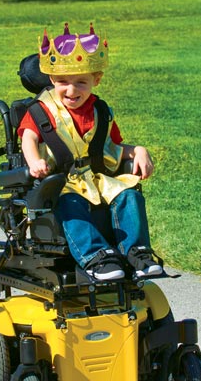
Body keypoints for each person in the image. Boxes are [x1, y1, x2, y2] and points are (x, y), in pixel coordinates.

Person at [18, 23, 164, 281]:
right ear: (51, 79)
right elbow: (28, 137)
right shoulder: (41, 111)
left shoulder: (100, 111)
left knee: (128, 194)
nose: (71, 90)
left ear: (96, 80)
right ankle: (96, 258)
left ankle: (137, 253)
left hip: (94, 178)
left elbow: (114, 147)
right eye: (63, 82)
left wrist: (138, 151)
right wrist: (34, 161)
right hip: (61, 183)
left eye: (81, 83)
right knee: (71, 203)